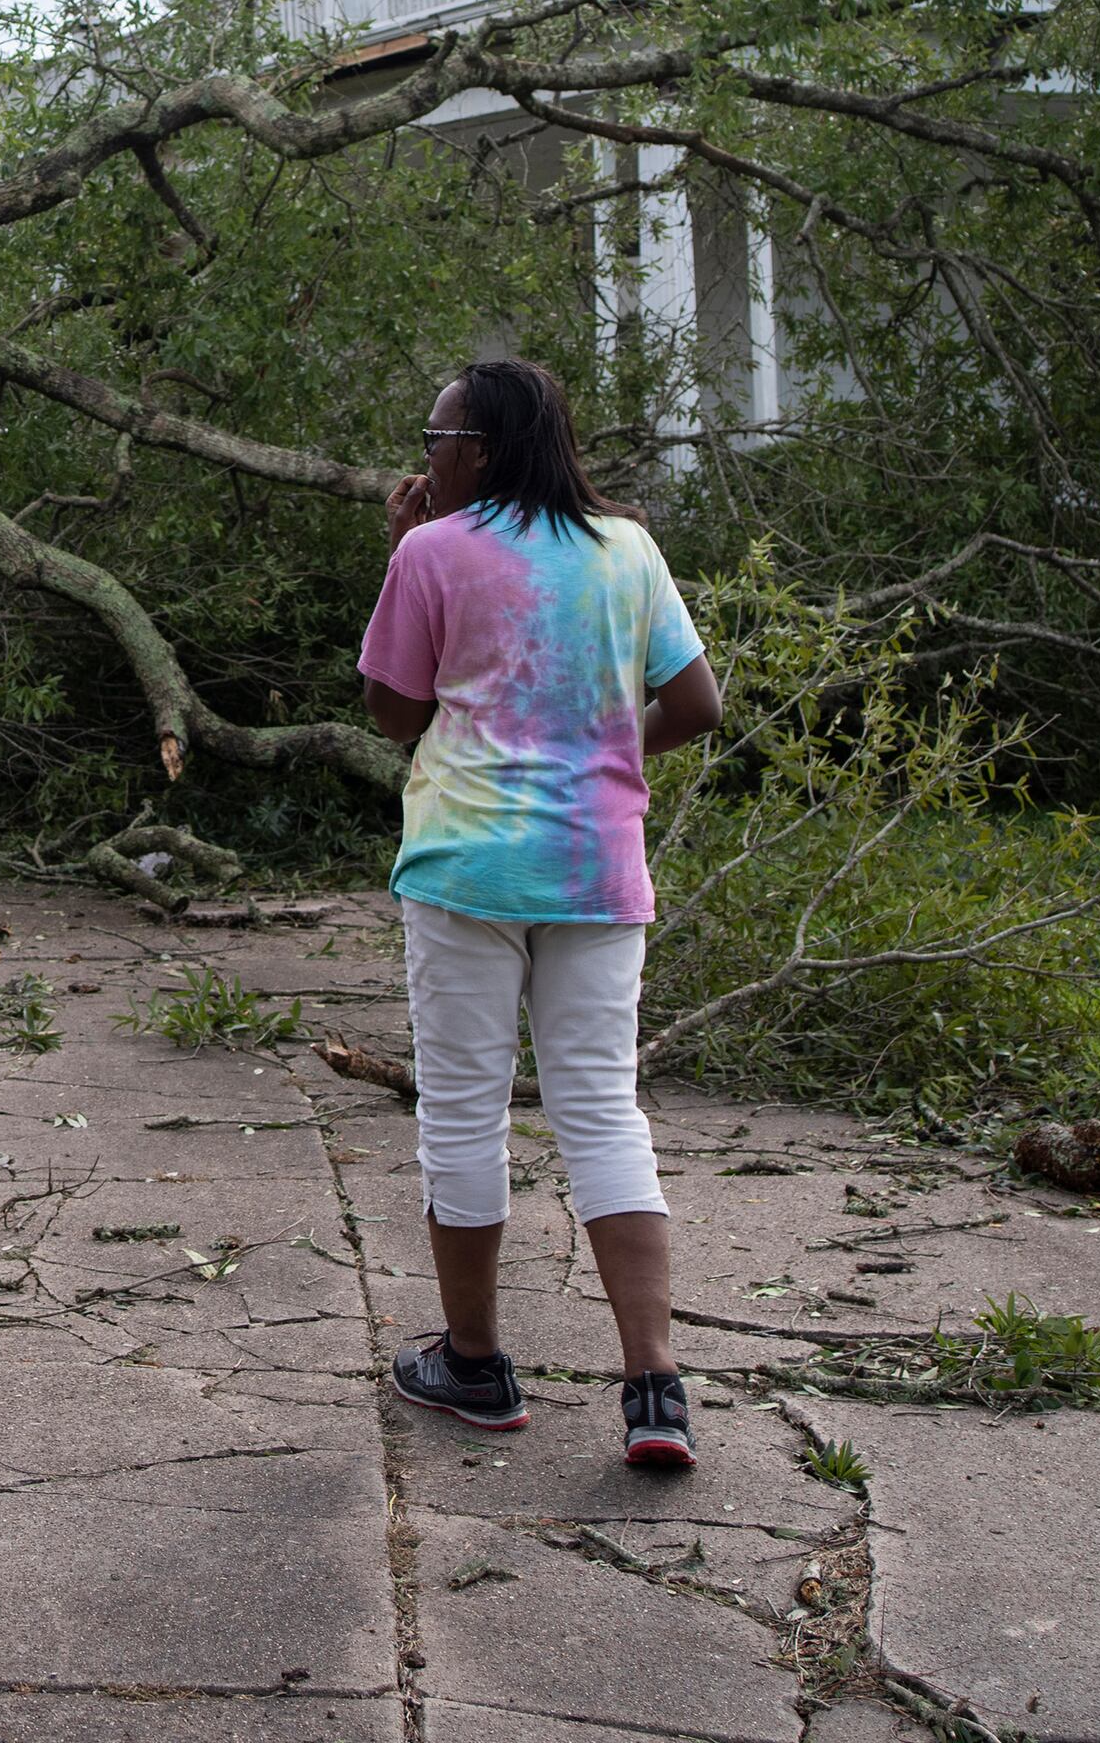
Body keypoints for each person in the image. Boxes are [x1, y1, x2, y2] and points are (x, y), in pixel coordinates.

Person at [358, 356, 724, 1471]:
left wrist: (402, 552)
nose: (426, 457)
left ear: (477, 447)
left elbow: (392, 713)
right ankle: (654, 1388)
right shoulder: (629, 549)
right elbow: (697, 704)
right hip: (597, 869)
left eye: (435, 439)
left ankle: (475, 1365)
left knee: (463, 1114)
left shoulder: (432, 551)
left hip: (469, 867)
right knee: (603, 1113)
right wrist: (604, 751)